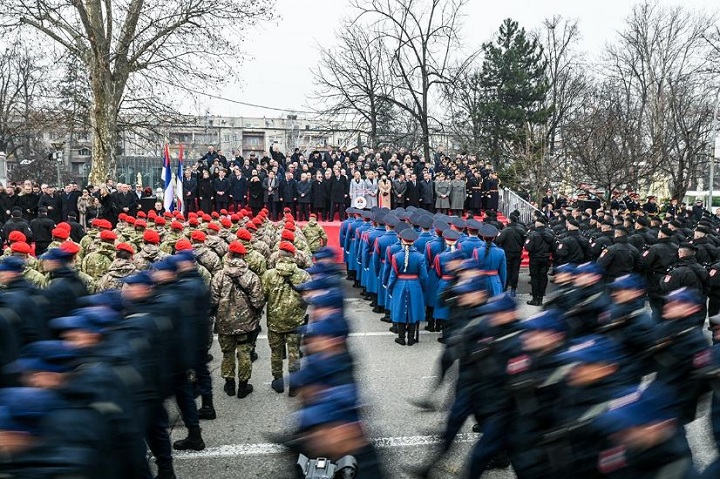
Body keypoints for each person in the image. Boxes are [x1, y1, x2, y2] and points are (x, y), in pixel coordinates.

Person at [211, 241, 266, 399]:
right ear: (243, 255)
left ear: (228, 254)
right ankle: (243, 387)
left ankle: (229, 385)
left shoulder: (219, 275)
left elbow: (213, 300)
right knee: (244, 353)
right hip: (246, 323)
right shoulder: (251, 276)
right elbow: (258, 301)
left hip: (224, 323)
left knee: (227, 353)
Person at [262, 241, 311, 393]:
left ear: (279, 255)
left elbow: (262, 296)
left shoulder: (269, 275)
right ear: (294, 255)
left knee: (276, 352)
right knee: (294, 352)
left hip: (275, 321)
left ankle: (278, 382)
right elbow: (310, 297)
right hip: (295, 321)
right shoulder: (303, 275)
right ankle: (294, 384)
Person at [387, 228, 428, 346]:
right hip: (415, 285)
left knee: (400, 311)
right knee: (413, 311)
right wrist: (423, 288)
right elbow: (424, 276)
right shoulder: (420, 257)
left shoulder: (396, 256)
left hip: (400, 285)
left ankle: (401, 337)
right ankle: (411, 338)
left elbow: (393, 275)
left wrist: (390, 288)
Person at [524, 216, 555, 306]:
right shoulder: (550, 233)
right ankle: (540, 298)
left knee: (535, 278)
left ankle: (535, 298)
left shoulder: (533, 234)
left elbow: (528, 247)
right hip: (545, 258)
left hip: (535, 258)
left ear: (537, 224)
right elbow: (553, 247)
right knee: (543, 277)